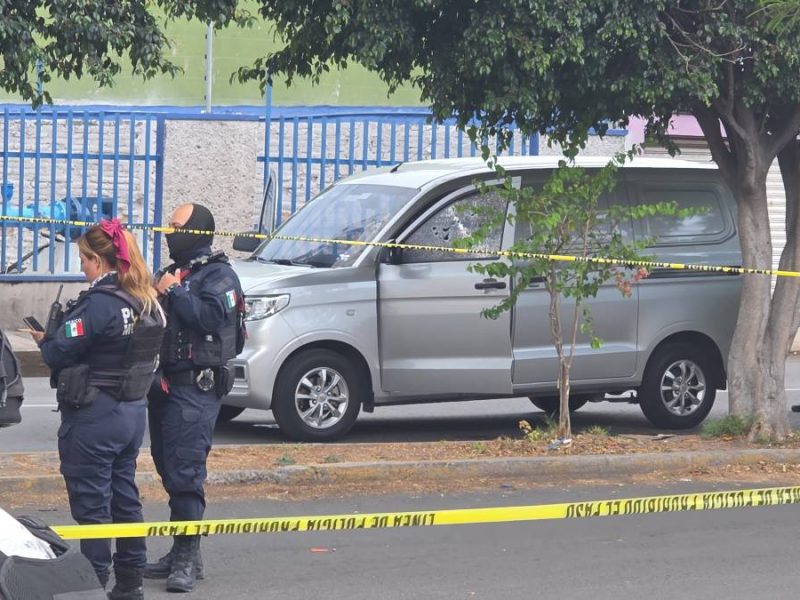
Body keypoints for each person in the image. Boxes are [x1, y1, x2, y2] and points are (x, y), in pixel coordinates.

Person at [27, 219, 165, 600]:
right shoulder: (145, 297)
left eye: (84, 260)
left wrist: (47, 340)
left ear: (99, 261)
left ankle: (91, 585)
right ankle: (130, 583)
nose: (83, 267)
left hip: (95, 415)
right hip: (132, 412)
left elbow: (58, 352)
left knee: (92, 508)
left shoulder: (100, 303)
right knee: (125, 499)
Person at [145, 203, 244, 593]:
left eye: (176, 226)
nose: (169, 233)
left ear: (199, 231)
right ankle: (184, 549)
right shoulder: (174, 274)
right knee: (167, 466)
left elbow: (208, 317)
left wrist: (176, 290)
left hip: (198, 388)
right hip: (165, 385)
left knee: (186, 472)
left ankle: (186, 556)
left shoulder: (221, 276)